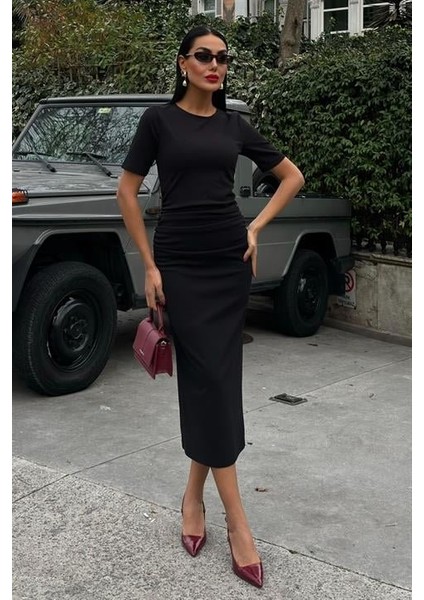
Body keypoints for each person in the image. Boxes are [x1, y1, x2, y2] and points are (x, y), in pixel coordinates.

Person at [117, 25, 304, 589]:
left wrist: (256, 227)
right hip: (179, 265)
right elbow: (127, 191)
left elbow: (291, 177)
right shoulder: (158, 122)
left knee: (215, 382)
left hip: (228, 262)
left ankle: (194, 497)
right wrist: (149, 265)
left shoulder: (233, 125)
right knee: (210, 382)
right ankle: (238, 522)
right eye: (204, 56)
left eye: (222, 58)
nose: (215, 65)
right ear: (183, 63)